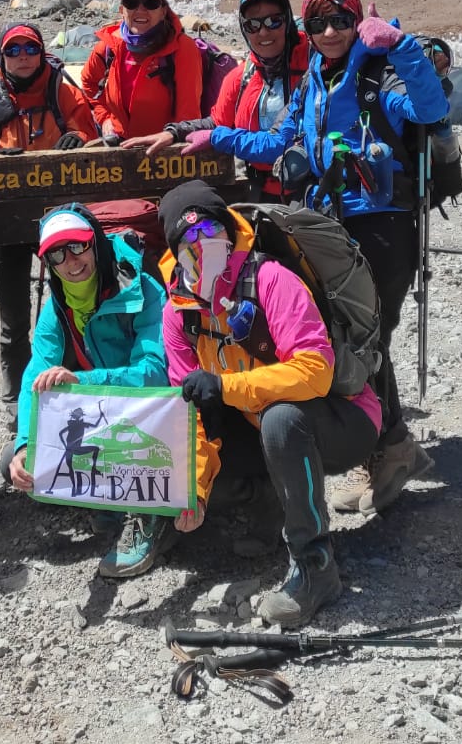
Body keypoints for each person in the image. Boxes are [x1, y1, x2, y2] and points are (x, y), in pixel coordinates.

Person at [183, 0, 448, 515]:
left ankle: (390, 450)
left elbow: (429, 108)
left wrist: (399, 45)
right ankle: (392, 449)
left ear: (356, 22)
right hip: (335, 229)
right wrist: (218, 138)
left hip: (385, 226)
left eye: (341, 22)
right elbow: (278, 141)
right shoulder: (314, 83)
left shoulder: (379, 73)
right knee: (352, 336)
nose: (330, 33)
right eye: (319, 24)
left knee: (370, 339)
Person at [158, 181, 381, 623]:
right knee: (206, 455)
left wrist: (226, 388)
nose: (201, 244)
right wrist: (195, 489)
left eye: (209, 228)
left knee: (281, 419)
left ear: (227, 229)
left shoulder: (270, 278)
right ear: (174, 250)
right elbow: (190, 413)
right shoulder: (177, 313)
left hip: (342, 416)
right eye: (188, 238)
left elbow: (315, 371)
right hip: (258, 421)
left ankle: (314, 564)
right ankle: (269, 502)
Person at [5, 205, 170, 579]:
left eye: (77, 247)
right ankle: (110, 496)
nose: (70, 262)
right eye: (56, 254)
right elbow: (35, 375)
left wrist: (85, 382)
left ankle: (153, 514)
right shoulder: (56, 308)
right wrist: (24, 444)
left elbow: (155, 374)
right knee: (12, 464)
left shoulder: (143, 291)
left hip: (148, 413)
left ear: (95, 243)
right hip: (99, 414)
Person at [0, 23, 98, 418]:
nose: (22, 55)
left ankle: (71, 379)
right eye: (13, 49)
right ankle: (16, 396)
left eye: (30, 48)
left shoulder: (61, 89)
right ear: (2, 56)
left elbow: (86, 128)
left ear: (41, 52)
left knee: (73, 302)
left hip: (59, 214)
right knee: (13, 313)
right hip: (5, 217)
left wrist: (77, 138)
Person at [125, 0, 309, 200]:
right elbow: (217, 122)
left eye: (274, 21)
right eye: (253, 25)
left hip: (309, 191)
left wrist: (216, 137)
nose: (263, 31)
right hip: (258, 190)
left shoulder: (314, 66)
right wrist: (173, 132)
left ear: (288, 21)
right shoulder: (241, 78)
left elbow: (278, 143)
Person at [81, 0, 203, 142]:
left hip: (164, 149)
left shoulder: (182, 48)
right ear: (122, 10)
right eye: (131, 3)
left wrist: (173, 139)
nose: (140, 10)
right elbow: (89, 83)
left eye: (150, 3)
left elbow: (188, 112)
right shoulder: (109, 46)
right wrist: (105, 117)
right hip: (120, 145)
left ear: (163, 11)